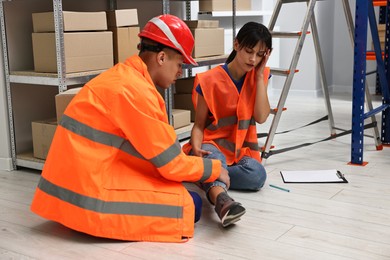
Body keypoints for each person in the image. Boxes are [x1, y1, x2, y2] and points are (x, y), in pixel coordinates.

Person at [30, 14, 234, 243]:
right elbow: (171, 165)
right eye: (180, 64)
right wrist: (214, 169)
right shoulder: (136, 91)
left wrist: (194, 168)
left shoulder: (124, 78)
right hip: (86, 200)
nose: (180, 72)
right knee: (189, 205)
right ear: (162, 57)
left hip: (71, 191)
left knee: (181, 185)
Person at [182, 21, 273, 219]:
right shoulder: (209, 80)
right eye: (249, 51)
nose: (253, 59)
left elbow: (262, 117)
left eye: (259, 55)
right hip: (211, 144)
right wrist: (197, 149)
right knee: (215, 158)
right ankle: (222, 201)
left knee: (258, 176)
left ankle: (205, 173)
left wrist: (258, 78)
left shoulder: (261, 75)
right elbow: (198, 126)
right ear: (236, 45)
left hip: (240, 153)